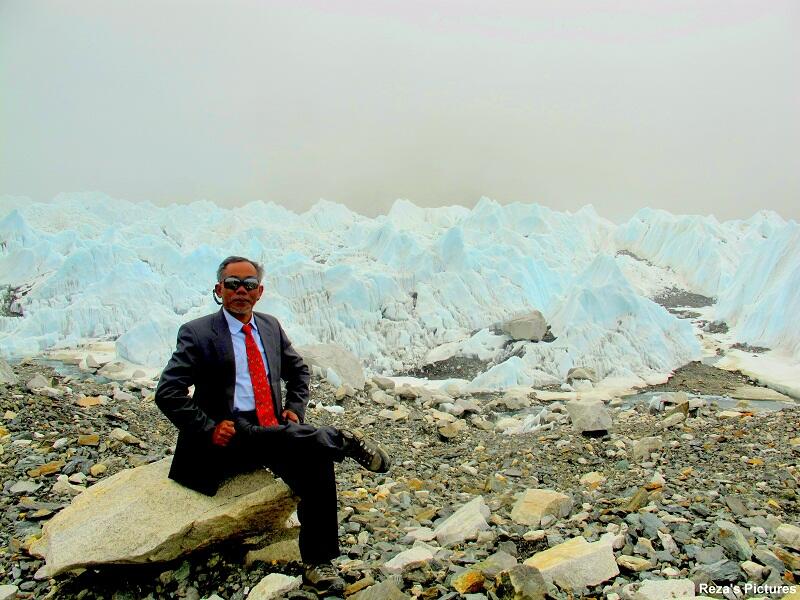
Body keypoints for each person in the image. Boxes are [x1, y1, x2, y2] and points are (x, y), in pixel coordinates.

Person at [155, 255, 390, 595]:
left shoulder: (269, 326)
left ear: (260, 291)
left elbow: (299, 371)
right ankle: (341, 440)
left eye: (248, 285)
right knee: (308, 443)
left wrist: (294, 408)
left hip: (271, 429)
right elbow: (168, 391)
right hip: (227, 436)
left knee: (316, 461)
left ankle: (318, 563)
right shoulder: (198, 333)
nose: (241, 291)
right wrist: (207, 427)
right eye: (233, 284)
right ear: (219, 289)